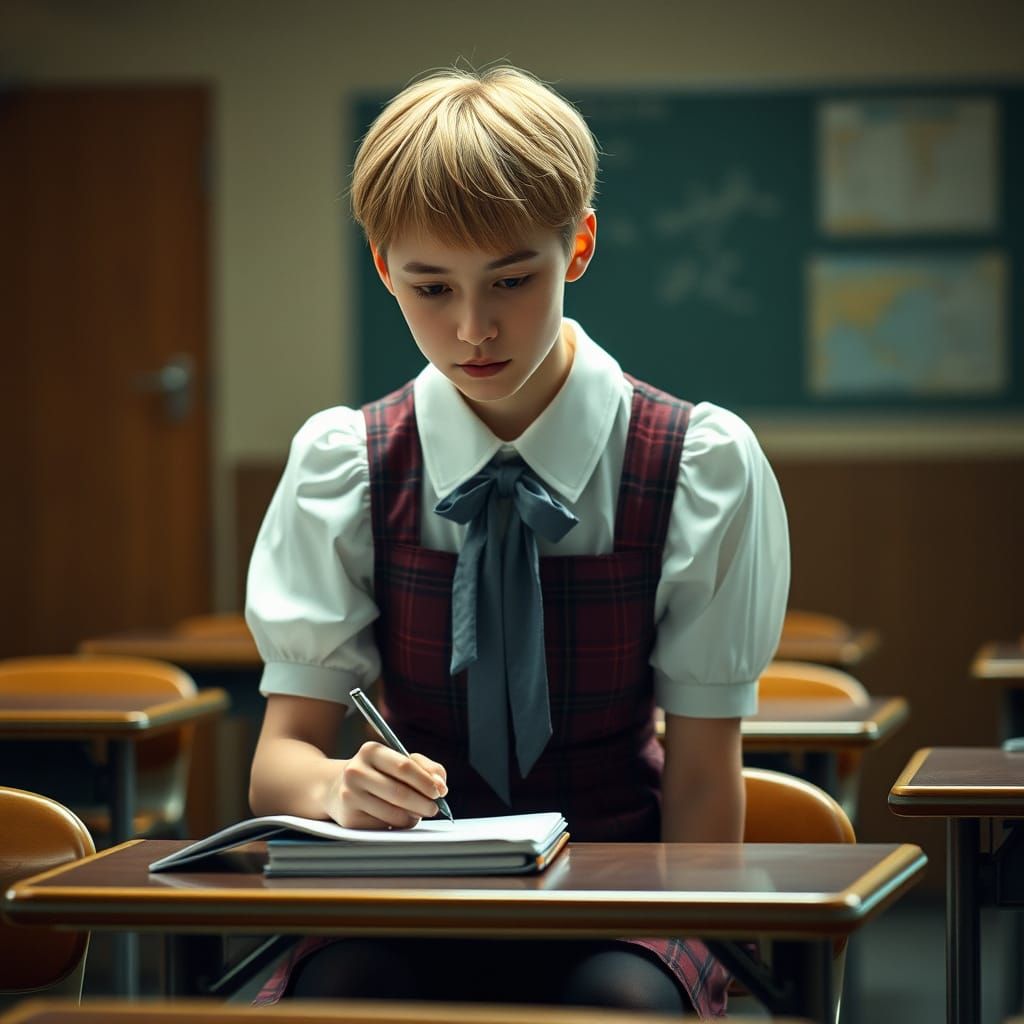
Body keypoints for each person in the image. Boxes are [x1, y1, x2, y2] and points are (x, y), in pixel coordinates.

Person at [245, 64, 789, 1017]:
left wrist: (702, 937)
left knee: (620, 1005)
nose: (470, 328)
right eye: (428, 286)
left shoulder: (697, 461)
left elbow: (705, 776)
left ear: (577, 245)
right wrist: (337, 786)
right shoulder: (347, 462)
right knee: (345, 996)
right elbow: (279, 758)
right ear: (381, 266)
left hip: (623, 888)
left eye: (511, 279)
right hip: (407, 889)